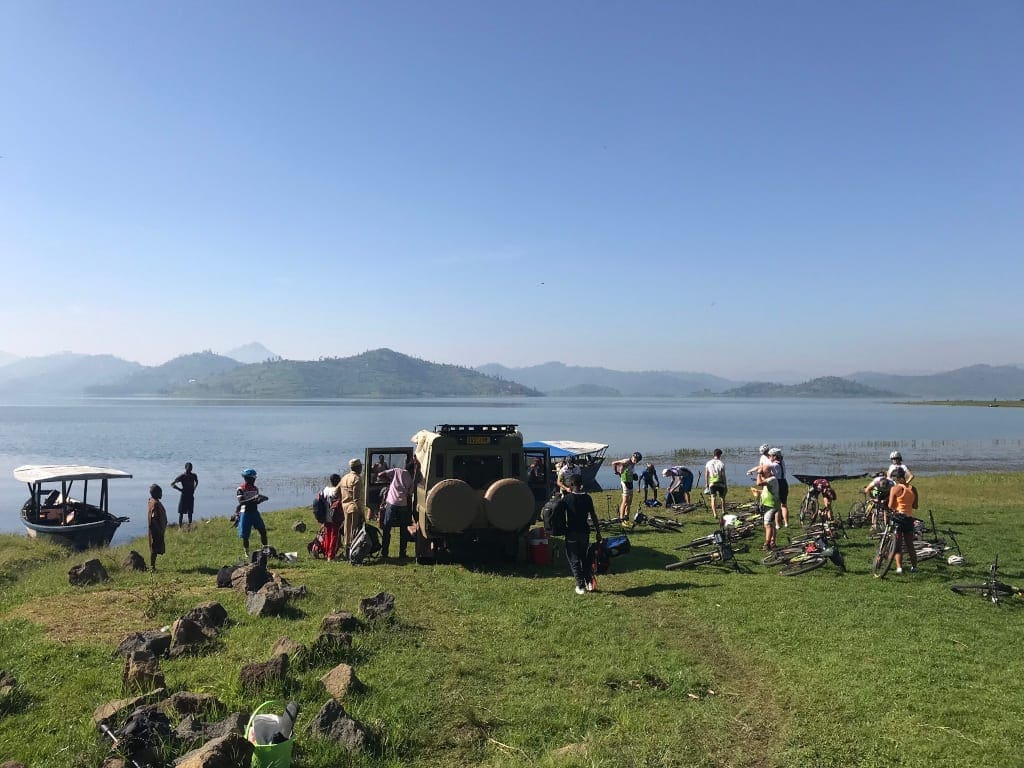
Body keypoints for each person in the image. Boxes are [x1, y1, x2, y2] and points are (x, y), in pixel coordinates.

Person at [560, 475, 602, 594]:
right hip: (584, 532)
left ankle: (580, 585)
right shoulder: (587, 498)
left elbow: (559, 516)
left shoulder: (567, 499)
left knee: (574, 559)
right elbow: (593, 515)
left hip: (572, 532)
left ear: (571, 485)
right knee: (584, 557)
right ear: (581, 484)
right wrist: (598, 532)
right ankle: (588, 581)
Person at [377, 461, 414, 559]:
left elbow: (380, 474)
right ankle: (402, 553)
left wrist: (389, 480)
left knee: (387, 528)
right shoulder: (411, 479)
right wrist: (410, 511)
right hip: (403, 505)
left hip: (392, 503)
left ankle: (384, 553)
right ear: (412, 470)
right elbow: (409, 497)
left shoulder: (397, 471)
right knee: (403, 530)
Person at [887, 467, 919, 575]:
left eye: (894, 479)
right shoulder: (913, 489)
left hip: (899, 518)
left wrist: (897, 505)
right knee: (910, 544)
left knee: (898, 544)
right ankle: (914, 567)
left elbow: (890, 505)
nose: (894, 481)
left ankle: (899, 567)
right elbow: (915, 505)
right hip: (909, 519)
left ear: (898, 478)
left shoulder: (895, 489)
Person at [235, 468, 269, 559]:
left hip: (254, 512)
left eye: (255, 478)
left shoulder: (255, 488)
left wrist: (261, 500)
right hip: (245, 513)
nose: (254, 480)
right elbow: (241, 502)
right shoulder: (240, 489)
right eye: (253, 478)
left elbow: (255, 502)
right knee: (245, 536)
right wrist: (254, 498)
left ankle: (265, 550)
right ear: (247, 479)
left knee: (263, 531)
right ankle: (246, 553)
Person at [336, 458, 366, 557]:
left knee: (347, 530)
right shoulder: (357, 479)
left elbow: (336, 492)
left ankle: (347, 551)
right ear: (358, 467)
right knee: (355, 531)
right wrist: (362, 513)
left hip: (345, 508)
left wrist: (343, 500)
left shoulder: (344, 477)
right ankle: (354, 552)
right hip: (354, 508)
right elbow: (356, 498)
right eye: (361, 466)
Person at [611, 452, 642, 523]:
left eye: (637, 460)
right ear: (632, 457)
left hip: (630, 482)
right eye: (635, 459)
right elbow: (613, 463)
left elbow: (628, 470)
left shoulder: (633, 463)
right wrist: (616, 471)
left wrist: (634, 476)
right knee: (625, 501)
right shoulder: (626, 461)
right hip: (624, 482)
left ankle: (626, 518)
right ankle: (621, 519)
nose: (636, 461)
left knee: (629, 502)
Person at [754, 464, 779, 550]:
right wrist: (759, 492)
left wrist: (758, 473)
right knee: (771, 524)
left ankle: (767, 544)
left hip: (771, 505)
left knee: (767, 524)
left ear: (768, 472)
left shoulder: (772, 479)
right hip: (770, 505)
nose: (762, 475)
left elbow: (758, 483)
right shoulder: (770, 479)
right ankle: (772, 542)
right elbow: (767, 490)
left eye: (763, 473)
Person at [170, 462, 199, 530]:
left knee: (190, 512)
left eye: (191, 467)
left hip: (190, 496)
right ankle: (180, 527)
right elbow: (172, 484)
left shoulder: (194, 475)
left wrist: (194, 488)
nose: (190, 469)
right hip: (184, 496)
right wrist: (180, 489)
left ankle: (190, 526)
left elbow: (197, 481)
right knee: (181, 512)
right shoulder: (182, 476)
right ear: (185, 468)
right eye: (189, 467)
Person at [321, 473, 342, 561]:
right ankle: (331, 555)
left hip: (326, 515)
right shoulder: (337, 490)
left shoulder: (326, 489)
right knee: (334, 535)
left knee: (327, 534)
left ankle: (326, 553)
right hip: (335, 516)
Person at [147, 484, 168, 571]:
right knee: (154, 548)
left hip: (156, 529)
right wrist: (159, 530)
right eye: (160, 492)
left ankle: (153, 566)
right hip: (156, 530)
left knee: (155, 548)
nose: (161, 494)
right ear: (156, 493)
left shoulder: (151, 501)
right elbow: (153, 518)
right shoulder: (155, 504)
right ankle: (152, 567)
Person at [768, 448, 790, 528]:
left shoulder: (774, 465)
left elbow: (768, 470)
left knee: (776, 506)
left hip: (777, 483)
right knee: (784, 504)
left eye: (770, 455)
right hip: (784, 482)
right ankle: (786, 523)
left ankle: (777, 524)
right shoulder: (782, 462)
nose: (769, 457)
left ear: (774, 456)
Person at [704, 449, 727, 519]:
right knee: (722, 497)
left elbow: (706, 474)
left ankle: (715, 514)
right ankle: (723, 511)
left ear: (714, 454)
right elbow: (723, 475)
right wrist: (725, 484)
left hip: (712, 483)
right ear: (720, 455)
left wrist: (707, 483)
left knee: (713, 498)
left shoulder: (708, 463)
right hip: (720, 483)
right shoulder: (721, 463)